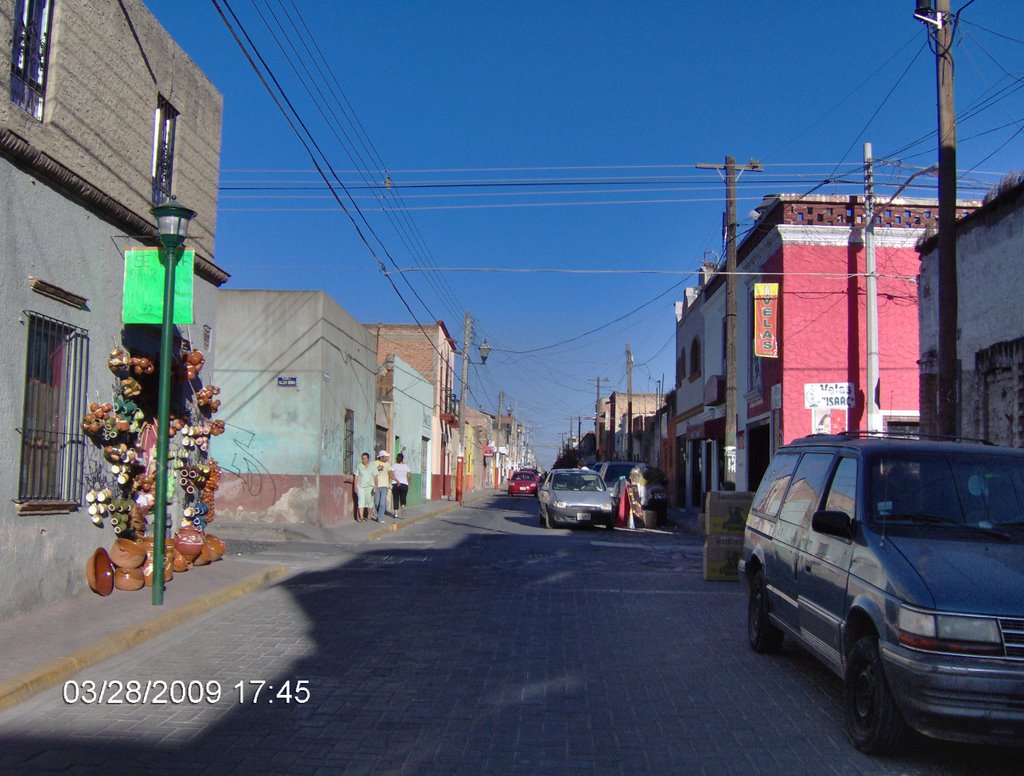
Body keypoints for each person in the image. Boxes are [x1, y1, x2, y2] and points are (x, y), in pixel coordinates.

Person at [373, 450, 393, 522]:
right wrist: (377, 469)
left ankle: (380, 518)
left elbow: (390, 473)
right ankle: (378, 513)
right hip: (376, 485)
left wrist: (394, 481)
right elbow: (371, 472)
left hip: (384, 485)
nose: (387, 458)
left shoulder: (388, 464)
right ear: (381, 457)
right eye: (385, 457)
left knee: (382, 503)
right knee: (376, 502)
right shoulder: (374, 463)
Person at [354, 452, 374, 522]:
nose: (363, 460)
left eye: (365, 459)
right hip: (361, 487)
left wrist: (376, 486)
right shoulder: (359, 466)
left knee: (369, 502)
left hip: (370, 487)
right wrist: (355, 486)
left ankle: (369, 515)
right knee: (361, 502)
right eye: (362, 459)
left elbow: (376, 476)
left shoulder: (372, 466)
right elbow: (356, 476)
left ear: (368, 459)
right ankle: (361, 517)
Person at [391, 452, 411, 517]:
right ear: (403, 459)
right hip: (404, 484)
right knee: (403, 497)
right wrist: (408, 484)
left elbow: (391, 474)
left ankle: (396, 514)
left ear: (397, 459)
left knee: (395, 498)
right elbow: (409, 476)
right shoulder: (406, 466)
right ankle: (403, 506)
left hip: (395, 484)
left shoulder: (394, 465)